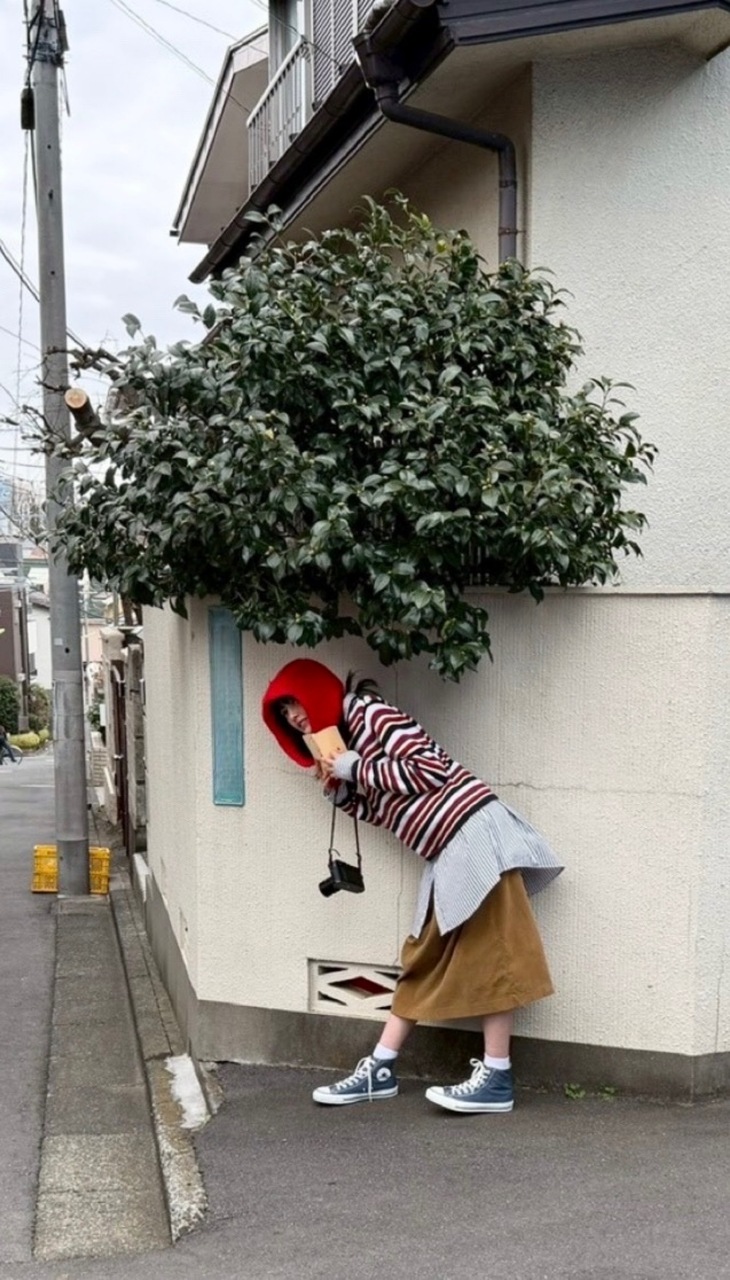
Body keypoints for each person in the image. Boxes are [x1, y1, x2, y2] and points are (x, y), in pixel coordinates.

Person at [262, 658, 564, 1115]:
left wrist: (356, 768)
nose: (294, 717)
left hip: (473, 834)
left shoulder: (371, 714)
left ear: (315, 691)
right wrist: (341, 790)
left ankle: (496, 1077)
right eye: (284, 713)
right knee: (425, 955)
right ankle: (382, 1068)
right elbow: (385, 810)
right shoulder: (345, 739)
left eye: (295, 703)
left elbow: (429, 769)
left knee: (495, 952)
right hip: (447, 849)